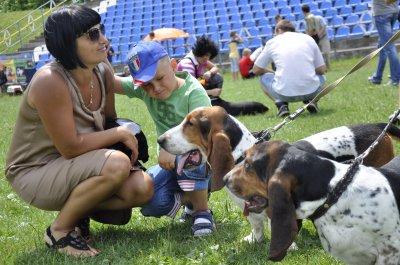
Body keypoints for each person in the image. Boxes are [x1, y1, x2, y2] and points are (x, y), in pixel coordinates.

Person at [4, 6, 154, 258]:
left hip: (76, 164)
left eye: (101, 31)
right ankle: (59, 231)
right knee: (116, 165)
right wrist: (119, 136)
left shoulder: (103, 71)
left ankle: (78, 212)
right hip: (35, 172)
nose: (104, 40)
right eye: (92, 35)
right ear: (67, 43)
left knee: (142, 188)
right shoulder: (49, 80)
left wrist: (123, 143)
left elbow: (107, 123)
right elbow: (70, 147)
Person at [114, 41, 216, 237]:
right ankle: (190, 202)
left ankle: (202, 210)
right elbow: (112, 82)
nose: (155, 88)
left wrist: (172, 148)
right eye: (146, 86)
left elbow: (204, 137)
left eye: (160, 78)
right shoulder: (145, 88)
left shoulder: (193, 93)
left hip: (202, 161)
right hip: (170, 165)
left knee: (191, 157)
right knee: (152, 204)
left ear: (173, 66)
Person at [177, 35, 269, 116]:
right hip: (187, 100)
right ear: (199, 52)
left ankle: (213, 100)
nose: (207, 59)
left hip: (196, 89)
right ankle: (211, 101)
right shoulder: (187, 65)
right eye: (205, 56)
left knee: (217, 76)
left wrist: (209, 72)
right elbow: (189, 91)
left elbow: (215, 68)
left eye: (209, 56)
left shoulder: (199, 58)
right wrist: (211, 92)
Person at [253, 20, 327, 118]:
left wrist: (272, 72)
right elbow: (321, 70)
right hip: (312, 90)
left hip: (283, 93)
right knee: (322, 77)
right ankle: (311, 101)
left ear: (279, 30)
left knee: (263, 78)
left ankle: (281, 105)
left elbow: (256, 70)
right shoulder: (308, 39)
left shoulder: (272, 42)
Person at [368, 0, 400, 86]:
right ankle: (377, 77)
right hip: (393, 11)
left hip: (382, 13)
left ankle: (396, 79)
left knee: (389, 47)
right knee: (382, 46)